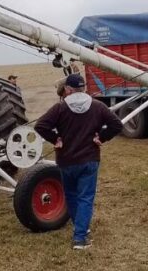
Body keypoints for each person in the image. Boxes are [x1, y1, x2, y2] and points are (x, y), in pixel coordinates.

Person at [34, 74, 123, 250]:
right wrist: (102, 138)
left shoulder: (60, 108)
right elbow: (117, 125)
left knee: (72, 195)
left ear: (68, 89)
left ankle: (81, 229)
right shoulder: (97, 106)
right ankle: (80, 237)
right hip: (89, 160)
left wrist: (55, 139)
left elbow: (40, 125)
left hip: (66, 160)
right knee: (85, 198)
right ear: (83, 88)